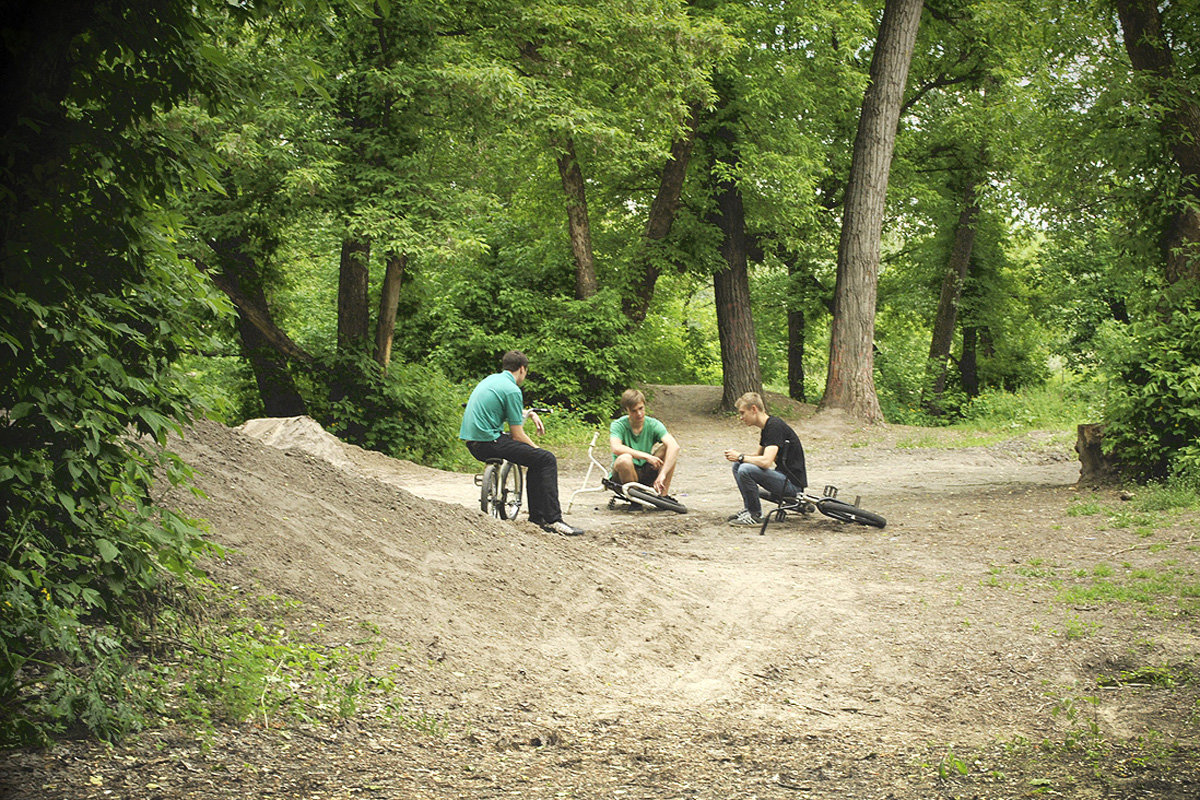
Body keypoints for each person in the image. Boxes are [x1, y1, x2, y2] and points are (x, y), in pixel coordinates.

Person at [460, 351, 583, 537]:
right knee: (546, 458)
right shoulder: (512, 389)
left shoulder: (491, 380)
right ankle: (553, 520)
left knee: (536, 460)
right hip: (489, 442)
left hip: (473, 442)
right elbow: (517, 435)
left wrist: (530, 413)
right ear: (522, 369)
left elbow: (507, 410)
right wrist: (537, 448)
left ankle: (538, 518)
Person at [723, 392, 807, 526]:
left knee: (745, 468)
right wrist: (738, 456)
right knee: (738, 465)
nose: (741, 418)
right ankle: (749, 509)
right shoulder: (767, 427)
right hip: (782, 478)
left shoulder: (775, 427)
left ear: (754, 409)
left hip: (792, 485)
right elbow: (758, 455)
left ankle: (755, 515)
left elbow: (766, 462)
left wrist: (740, 456)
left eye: (743, 413)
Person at [608, 388, 681, 503]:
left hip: (645, 471)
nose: (639, 413)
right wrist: (646, 456)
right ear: (627, 410)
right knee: (624, 459)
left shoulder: (653, 424)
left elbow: (674, 446)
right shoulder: (618, 425)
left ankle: (663, 496)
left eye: (641, 408)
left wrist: (663, 474)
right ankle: (634, 500)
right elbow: (616, 448)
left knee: (669, 449)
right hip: (623, 475)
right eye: (634, 411)